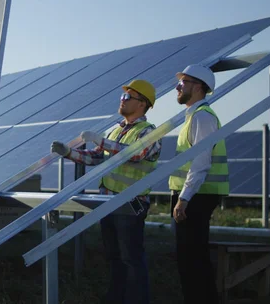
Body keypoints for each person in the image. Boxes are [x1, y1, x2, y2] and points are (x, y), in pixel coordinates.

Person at [51, 79, 161, 304]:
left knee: (131, 259)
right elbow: (98, 157)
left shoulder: (149, 132)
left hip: (131, 204)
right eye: (122, 96)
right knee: (115, 258)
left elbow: (135, 154)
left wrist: (100, 140)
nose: (122, 100)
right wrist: (69, 153)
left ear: (142, 103)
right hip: (108, 203)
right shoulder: (115, 131)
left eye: (127, 97)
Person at [168, 64, 228, 304]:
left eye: (183, 82)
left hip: (197, 196)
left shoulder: (202, 117)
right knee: (190, 258)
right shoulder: (194, 116)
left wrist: (184, 199)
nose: (178, 86)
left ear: (199, 86)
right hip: (194, 195)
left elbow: (201, 162)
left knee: (193, 259)